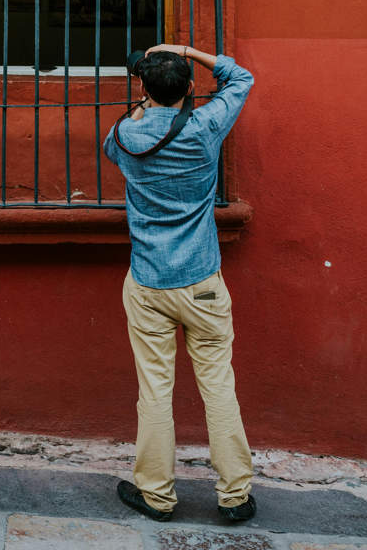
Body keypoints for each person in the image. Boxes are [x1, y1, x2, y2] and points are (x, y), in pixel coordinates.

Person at [103, 44, 256, 523]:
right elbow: (242, 79)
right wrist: (187, 51)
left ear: (143, 88)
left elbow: (116, 144)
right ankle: (234, 496)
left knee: (154, 390)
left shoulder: (125, 135)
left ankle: (156, 494)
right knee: (218, 386)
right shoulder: (206, 126)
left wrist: (143, 103)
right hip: (203, 279)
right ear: (190, 89)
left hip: (149, 280)